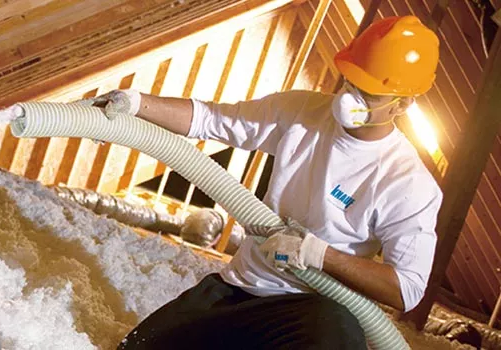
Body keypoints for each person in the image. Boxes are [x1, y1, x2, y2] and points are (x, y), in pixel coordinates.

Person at [86, 16, 443, 349]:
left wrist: (319, 255)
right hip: (238, 290)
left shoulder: (407, 184)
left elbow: (406, 288)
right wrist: (135, 103)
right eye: (351, 81)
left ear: (403, 105)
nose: (350, 98)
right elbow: (213, 119)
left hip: (311, 312)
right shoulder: (302, 113)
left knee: (338, 334)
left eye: (369, 93)